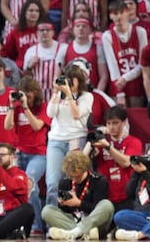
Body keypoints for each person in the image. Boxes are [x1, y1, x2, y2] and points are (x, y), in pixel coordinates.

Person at [4, 76, 51, 237]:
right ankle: (24, 225)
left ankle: (37, 226)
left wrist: (25, 108)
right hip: (20, 153)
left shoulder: (44, 107)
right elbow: (7, 125)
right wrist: (11, 106)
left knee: (31, 186)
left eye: (29, 96)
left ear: (35, 94)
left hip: (38, 154)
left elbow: (37, 126)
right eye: (24, 96)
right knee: (19, 188)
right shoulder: (16, 107)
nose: (27, 99)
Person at [44, 64, 94, 208]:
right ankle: (50, 221)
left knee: (72, 180)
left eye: (72, 80)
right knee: (53, 183)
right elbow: (50, 114)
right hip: (55, 141)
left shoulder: (87, 97)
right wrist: (55, 92)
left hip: (75, 139)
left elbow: (76, 114)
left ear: (79, 80)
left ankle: (71, 219)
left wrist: (70, 96)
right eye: (67, 80)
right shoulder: (58, 95)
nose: (69, 84)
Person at [84, 105, 143, 215]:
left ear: (124, 122)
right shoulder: (101, 142)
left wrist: (107, 147)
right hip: (105, 197)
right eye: (109, 123)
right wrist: (90, 143)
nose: (111, 127)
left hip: (127, 197)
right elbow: (82, 163)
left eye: (115, 123)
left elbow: (126, 162)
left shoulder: (133, 142)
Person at [41, 151, 113, 241]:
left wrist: (79, 203)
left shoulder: (99, 181)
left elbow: (99, 210)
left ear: (85, 170)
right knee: (47, 211)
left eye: (78, 176)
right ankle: (82, 233)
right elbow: (65, 212)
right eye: (72, 176)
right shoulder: (65, 182)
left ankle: (74, 232)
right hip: (75, 220)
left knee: (107, 204)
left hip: (94, 222)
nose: (74, 179)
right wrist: (63, 204)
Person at [101, 0, 149, 107]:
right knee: (120, 118)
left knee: (135, 118)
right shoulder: (107, 36)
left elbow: (143, 63)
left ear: (127, 13)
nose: (119, 17)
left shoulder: (140, 32)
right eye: (115, 13)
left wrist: (125, 78)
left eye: (121, 12)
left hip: (135, 83)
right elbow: (112, 64)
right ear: (110, 16)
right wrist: (120, 92)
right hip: (117, 84)